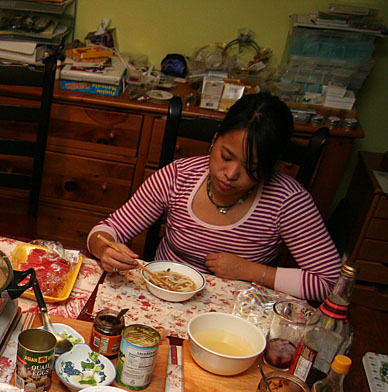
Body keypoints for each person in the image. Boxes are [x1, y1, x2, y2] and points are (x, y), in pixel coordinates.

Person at [86, 92, 341, 303]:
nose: (231, 174)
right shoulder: (178, 176)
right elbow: (108, 230)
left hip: (239, 308)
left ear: (270, 166)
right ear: (215, 138)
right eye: (226, 156)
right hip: (162, 296)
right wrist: (105, 248)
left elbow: (330, 283)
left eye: (251, 168)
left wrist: (251, 271)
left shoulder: (289, 201)